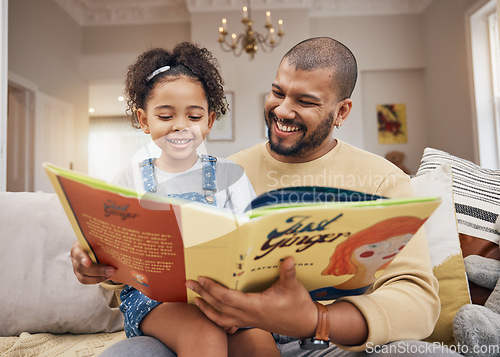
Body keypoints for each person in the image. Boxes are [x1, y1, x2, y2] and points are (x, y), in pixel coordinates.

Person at [73, 37, 461, 356]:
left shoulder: (383, 181)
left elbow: (418, 300)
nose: (283, 110)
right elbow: (139, 261)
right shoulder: (229, 170)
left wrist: (316, 320)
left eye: (305, 102)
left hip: (331, 340)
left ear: (341, 112)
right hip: (210, 319)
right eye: (277, 92)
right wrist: (97, 263)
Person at [80, 42, 281, 357]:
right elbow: (106, 245)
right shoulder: (129, 179)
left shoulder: (232, 176)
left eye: (194, 115)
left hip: (226, 295)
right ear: (144, 120)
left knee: (260, 345)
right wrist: (90, 254)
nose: (180, 125)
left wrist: (237, 302)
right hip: (156, 302)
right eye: (165, 115)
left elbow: (255, 243)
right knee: (203, 333)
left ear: (209, 121)